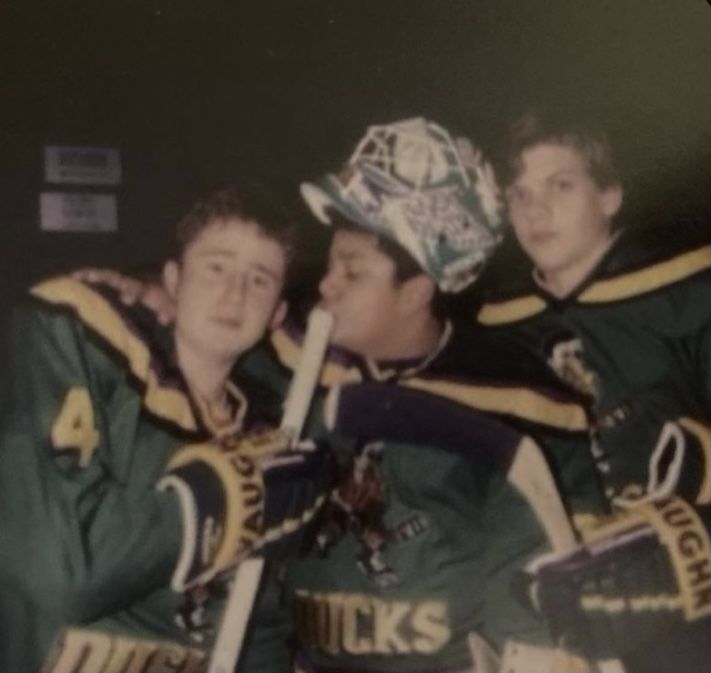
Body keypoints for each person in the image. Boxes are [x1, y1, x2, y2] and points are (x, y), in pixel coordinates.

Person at [272, 117, 608, 672]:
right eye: (330, 265)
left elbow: (538, 606)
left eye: (351, 273)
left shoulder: (519, 401)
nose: (326, 286)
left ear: (416, 291)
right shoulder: (291, 364)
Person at [0, 184, 330, 673]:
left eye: (259, 280)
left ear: (277, 313)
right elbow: (60, 575)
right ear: (173, 281)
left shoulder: (273, 430)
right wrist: (224, 496)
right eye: (215, 267)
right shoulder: (99, 370)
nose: (233, 294)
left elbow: (261, 627)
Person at [476, 108, 711, 672]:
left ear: (610, 196)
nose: (536, 210)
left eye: (560, 185)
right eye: (519, 195)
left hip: (688, 594)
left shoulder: (688, 292)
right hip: (556, 604)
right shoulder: (497, 325)